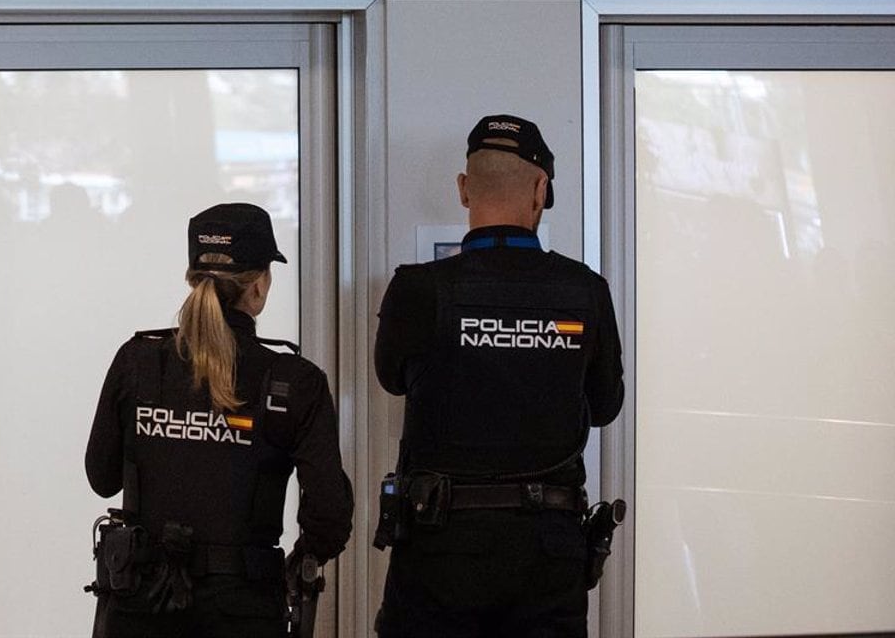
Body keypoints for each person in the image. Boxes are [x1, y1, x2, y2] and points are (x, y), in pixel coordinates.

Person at [373, 115, 625, 638]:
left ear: (464, 190)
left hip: (439, 545)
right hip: (547, 553)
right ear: (541, 189)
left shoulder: (417, 289)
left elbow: (392, 380)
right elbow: (605, 407)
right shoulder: (584, 291)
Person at [86, 202, 353, 636]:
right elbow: (329, 516)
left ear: (193, 280)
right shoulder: (294, 380)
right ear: (260, 286)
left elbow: (102, 478)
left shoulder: (137, 360)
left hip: (138, 605)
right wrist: (296, 562)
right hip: (242, 609)